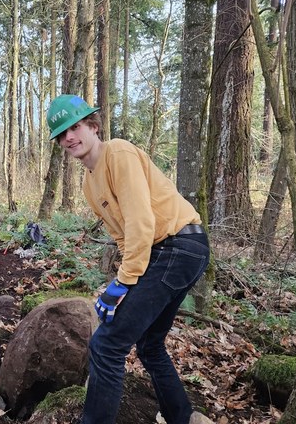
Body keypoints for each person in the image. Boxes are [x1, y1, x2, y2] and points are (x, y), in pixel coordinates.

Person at [46, 94, 210, 424]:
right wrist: (123, 282)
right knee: (149, 345)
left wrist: (124, 281)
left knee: (106, 345)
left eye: (75, 128)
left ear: (93, 126)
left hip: (178, 246)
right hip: (166, 252)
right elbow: (122, 235)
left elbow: (141, 222)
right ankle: (183, 417)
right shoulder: (89, 184)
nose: (69, 138)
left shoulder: (118, 153)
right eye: (62, 134)